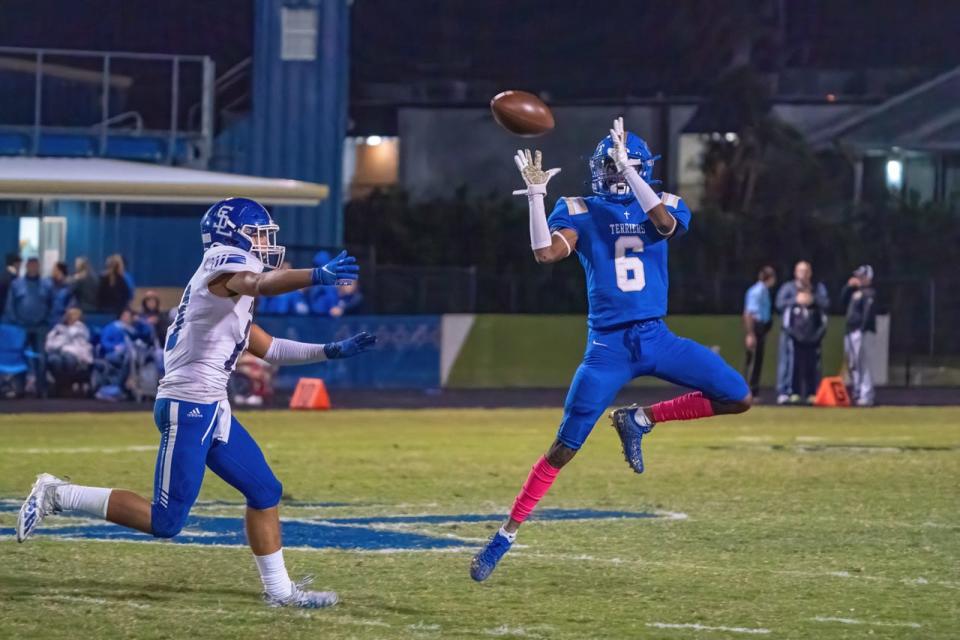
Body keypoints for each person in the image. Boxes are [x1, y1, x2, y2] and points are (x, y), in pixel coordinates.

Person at [17, 197, 376, 610]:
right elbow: (259, 283)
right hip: (188, 404)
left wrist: (329, 350)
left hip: (211, 404)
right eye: (258, 233)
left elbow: (270, 348)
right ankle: (57, 494)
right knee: (165, 521)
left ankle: (280, 592)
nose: (264, 242)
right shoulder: (224, 265)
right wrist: (315, 275)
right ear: (233, 235)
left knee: (264, 490)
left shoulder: (228, 289)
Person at [470, 118, 751, 582]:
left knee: (737, 396)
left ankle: (640, 419)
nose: (616, 176)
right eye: (612, 167)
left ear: (640, 168)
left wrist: (632, 173)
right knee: (564, 447)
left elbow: (661, 225)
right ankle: (506, 533)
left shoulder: (665, 203)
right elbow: (546, 253)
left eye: (623, 167)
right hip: (607, 346)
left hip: (656, 336)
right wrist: (537, 197)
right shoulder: (579, 208)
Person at [774, 260, 829, 405]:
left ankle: (812, 392)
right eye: (800, 271)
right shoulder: (788, 288)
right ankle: (785, 392)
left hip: (811, 333)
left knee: (813, 364)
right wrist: (795, 300)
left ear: (810, 273)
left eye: (806, 271)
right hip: (791, 333)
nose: (803, 274)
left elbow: (826, 303)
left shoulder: (818, 288)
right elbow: (779, 304)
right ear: (795, 273)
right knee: (789, 362)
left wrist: (813, 299)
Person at [3, 257, 54, 396]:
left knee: (41, 358)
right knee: (20, 357)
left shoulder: (47, 285)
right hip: (21, 328)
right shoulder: (16, 284)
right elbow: (10, 305)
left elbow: (52, 305)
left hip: (41, 327)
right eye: (30, 265)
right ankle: (20, 388)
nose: (33, 268)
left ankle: (41, 389)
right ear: (26, 267)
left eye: (35, 265)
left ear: (38, 267)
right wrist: (16, 322)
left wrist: (47, 321)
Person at [782, 289, 827, 404]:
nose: (804, 298)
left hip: (812, 344)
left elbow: (823, 326)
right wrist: (797, 337)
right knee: (795, 368)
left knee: (811, 368)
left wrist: (815, 338)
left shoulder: (816, 310)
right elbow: (787, 326)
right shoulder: (792, 309)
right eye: (802, 296)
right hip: (796, 344)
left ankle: (811, 394)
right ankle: (795, 393)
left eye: (807, 296)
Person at [841, 265, 878, 406]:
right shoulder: (854, 292)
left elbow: (868, 312)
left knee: (864, 364)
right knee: (853, 364)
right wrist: (847, 287)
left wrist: (862, 329)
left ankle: (866, 395)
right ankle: (857, 392)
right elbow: (841, 302)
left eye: (861, 276)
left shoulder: (869, 293)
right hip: (850, 331)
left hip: (862, 332)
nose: (858, 279)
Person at [742, 266, 776, 399]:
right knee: (753, 360)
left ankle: (753, 391)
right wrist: (750, 333)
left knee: (758, 360)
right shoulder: (757, 292)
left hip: (761, 327)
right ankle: (747, 391)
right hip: (756, 326)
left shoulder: (764, 291)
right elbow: (749, 313)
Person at [45, 307, 93, 393]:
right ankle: (59, 385)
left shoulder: (81, 329)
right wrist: (60, 342)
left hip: (73, 354)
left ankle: (66, 385)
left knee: (69, 359)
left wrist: (67, 337)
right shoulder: (57, 328)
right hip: (56, 351)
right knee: (55, 360)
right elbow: (49, 344)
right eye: (69, 315)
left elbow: (81, 346)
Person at [0, 252, 22, 318]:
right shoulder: (10, 277)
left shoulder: (5, 275)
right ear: (14, 264)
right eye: (19, 263)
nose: (20, 265)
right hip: (6, 310)